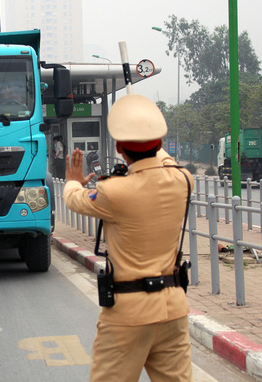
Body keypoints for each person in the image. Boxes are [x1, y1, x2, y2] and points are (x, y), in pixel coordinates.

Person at [63, 94, 193, 382]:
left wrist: (73, 178)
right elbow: (164, 160)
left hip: (129, 314)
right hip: (173, 307)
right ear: (159, 143)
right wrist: (144, 126)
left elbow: (73, 200)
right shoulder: (183, 180)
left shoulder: (114, 192)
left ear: (120, 149)